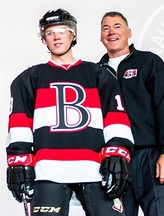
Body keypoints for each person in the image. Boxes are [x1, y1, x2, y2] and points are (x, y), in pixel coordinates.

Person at [6, 8, 134, 216]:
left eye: (63, 31)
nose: (56, 37)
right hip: (47, 171)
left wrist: (118, 154)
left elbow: (116, 118)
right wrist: (19, 160)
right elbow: (20, 123)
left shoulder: (100, 75)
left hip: (95, 169)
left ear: (73, 35)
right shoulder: (28, 79)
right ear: (44, 39)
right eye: (50, 32)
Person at [99, 11, 164, 216]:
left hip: (150, 156)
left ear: (129, 32)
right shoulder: (95, 73)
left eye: (117, 26)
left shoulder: (149, 62)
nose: (111, 32)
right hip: (113, 160)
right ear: (101, 36)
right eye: (106, 28)